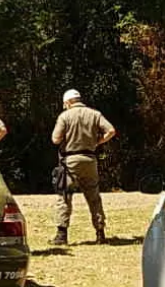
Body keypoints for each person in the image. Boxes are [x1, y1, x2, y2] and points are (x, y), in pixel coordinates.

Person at [49, 89, 116, 246]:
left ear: (67, 102)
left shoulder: (64, 116)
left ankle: (61, 235)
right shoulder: (95, 114)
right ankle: (100, 233)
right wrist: (97, 142)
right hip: (90, 159)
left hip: (70, 160)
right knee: (94, 197)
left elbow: (55, 139)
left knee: (65, 197)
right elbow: (111, 131)